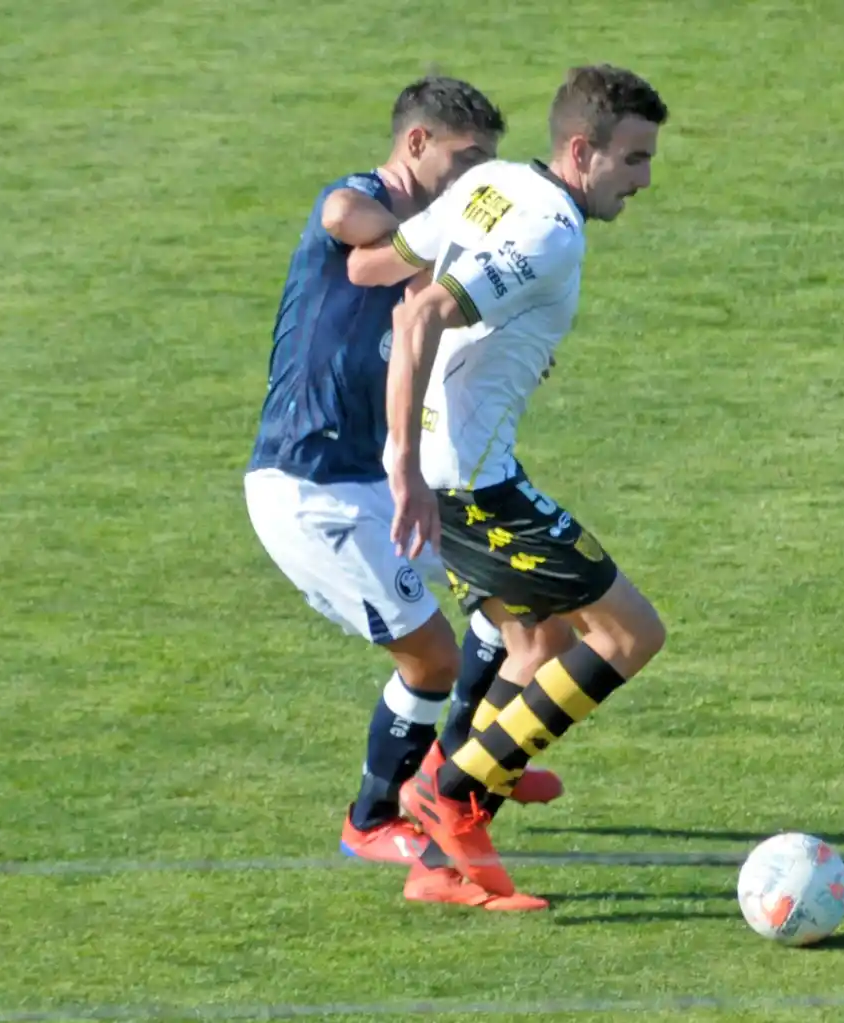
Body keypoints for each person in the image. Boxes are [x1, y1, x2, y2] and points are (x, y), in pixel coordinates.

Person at [242, 77, 570, 908]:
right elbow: (343, 224)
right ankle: (372, 818)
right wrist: (440, 228)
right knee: (433, 658)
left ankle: (469, 768)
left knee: (502, 610)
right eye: (464, 161)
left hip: (380, 475)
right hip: (312, 483)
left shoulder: (434, 240)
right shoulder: (366, 199)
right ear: (416, 144)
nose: (474, 181)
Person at [356, 65, 671, 905]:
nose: (644, 180)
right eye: (634, 159)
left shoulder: (494, 181)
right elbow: (420, 313)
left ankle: (446, 846)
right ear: (582, 149)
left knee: (538, 648)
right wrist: (402, 466)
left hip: (451, 472)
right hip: (471, 486)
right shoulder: (554, 232)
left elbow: (379, 274)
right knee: (631, 634)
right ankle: (454, 792)